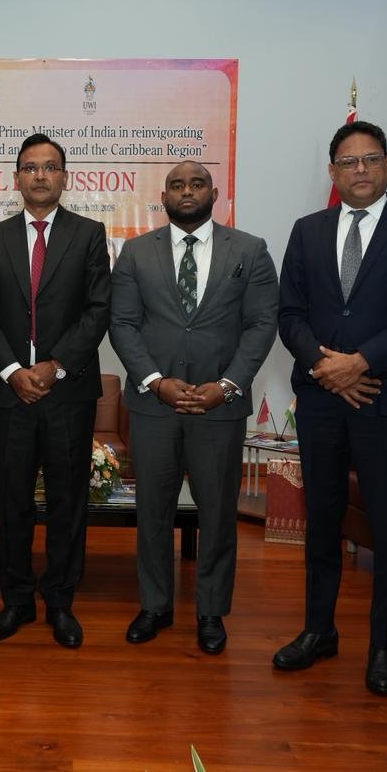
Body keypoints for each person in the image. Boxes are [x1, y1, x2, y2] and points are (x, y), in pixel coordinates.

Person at [275, 120, 387, 694]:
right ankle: (318, 630)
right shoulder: (307, 230)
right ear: (332, 171)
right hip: (323, 399)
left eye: (371, 160)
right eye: (348, 162)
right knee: (321, 520)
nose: (360, 170)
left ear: (385, 164)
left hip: (386, 399)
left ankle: (384, 647)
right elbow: (290, 313)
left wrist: (361, 362)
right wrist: (329, 369)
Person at [109, 161, 279, 654]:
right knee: (153, 513)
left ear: (215, 192)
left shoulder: (249, 250)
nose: (187, 191)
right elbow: (123, 324)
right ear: (163, 195)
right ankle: (155, 605)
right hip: (153, 407)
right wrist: (156, 382)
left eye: (197, 183)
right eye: (177, 185)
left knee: (218, 514)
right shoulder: (137, 253)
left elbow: (261, 325)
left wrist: (226, 386)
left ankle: (211, 611)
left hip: (219, 409)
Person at [0, 133, 111, 648]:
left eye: (50, 167)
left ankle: (60, 602)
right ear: (16, 178)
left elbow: (99, 310)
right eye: (30, 167)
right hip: (10, 394)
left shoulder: (89, 234)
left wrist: (55, 365)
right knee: (11, 502)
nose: (40, 175)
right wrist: (12, 370)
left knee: (68, 501)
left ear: (64, 178)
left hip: (67, 392)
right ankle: (16, 602)